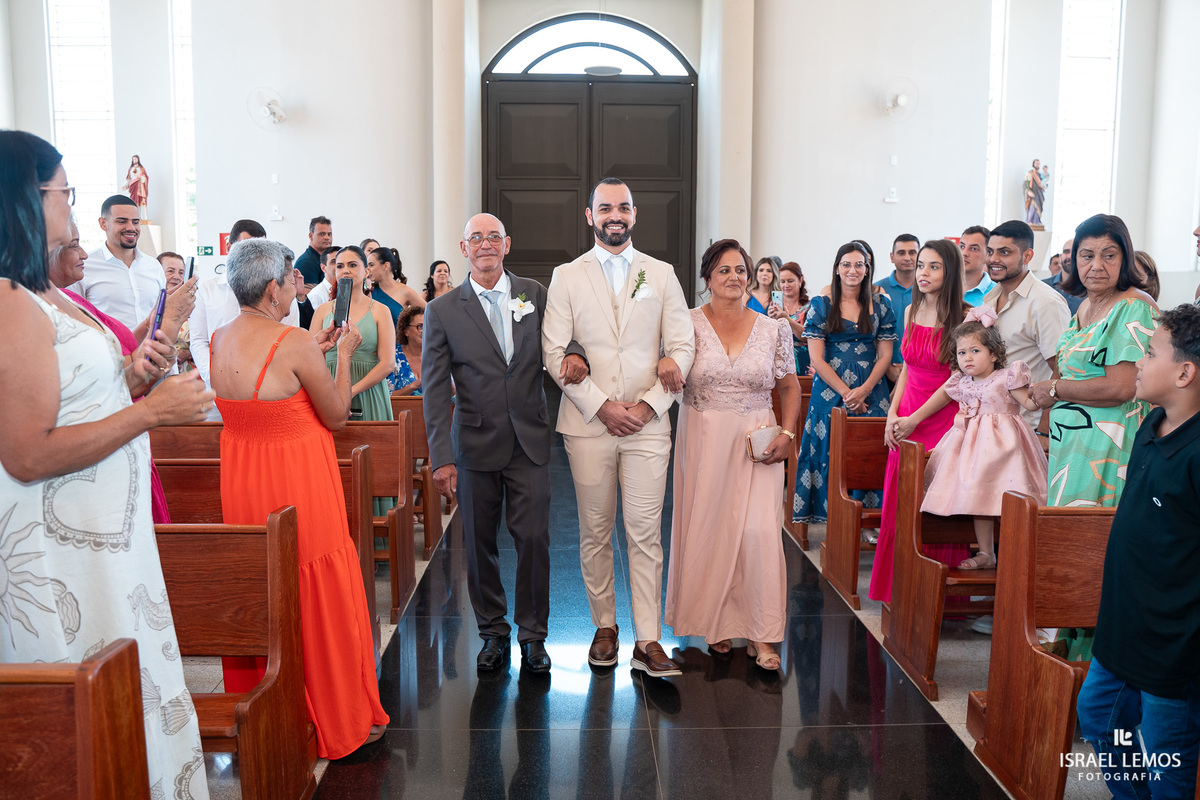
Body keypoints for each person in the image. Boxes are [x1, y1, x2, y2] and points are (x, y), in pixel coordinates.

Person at [0, 129, 214, 797]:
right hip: (62, 549)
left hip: (105, 540)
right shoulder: (10, 302)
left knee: (129, 680)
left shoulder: (50, 295)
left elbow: (90, 392)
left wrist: (148, 362)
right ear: (25, 200)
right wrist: (150, 414)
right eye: (65, 192)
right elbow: (28, 452)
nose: (71, 207)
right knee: (90, 704)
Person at [208, 237, 389, 758]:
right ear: (273, 288)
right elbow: (335, 415)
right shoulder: (293, 341)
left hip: (245, 479)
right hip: (297, 483)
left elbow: (269, 393)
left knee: (266, 586)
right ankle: (336, 713)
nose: (299, 286)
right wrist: (343, 356)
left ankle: (268, 712)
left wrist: (319, 350)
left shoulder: (220, 337)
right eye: (293, 279)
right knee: (315, 582)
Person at [543, 177, 695, 678]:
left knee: (646, 532)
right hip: (589, 424)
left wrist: (650, 407)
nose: (615, 214)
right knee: (594, 531)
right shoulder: (566, 276)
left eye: (623, 207)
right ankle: (604, 626)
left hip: (648, 426)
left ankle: (648, 640)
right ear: (589, 215)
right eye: (605, 207)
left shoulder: (661, 273)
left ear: (635, 214)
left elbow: (683, 346)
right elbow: (554, 350)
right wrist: (602, 406)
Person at [423, 213, 569, 674]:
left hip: (528, 439)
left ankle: (533, 636)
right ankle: (492, 632)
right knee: (480, 545)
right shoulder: (443, 309)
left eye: (493, 237)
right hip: (473, 443)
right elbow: (433, 387)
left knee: (534, 540)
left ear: (507, 244)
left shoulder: (534, 293)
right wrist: (441, 459)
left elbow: (565, 340)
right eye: (476, 238)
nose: (485, 245)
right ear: (464, 249)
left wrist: (578, 354)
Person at [1077, 305, 1200, 800]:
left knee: (1164, 758)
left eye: (1150, 353)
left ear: (1185, 372)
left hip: (1174, 644)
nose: (1141, 362)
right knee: (1099, 721)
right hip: (1124, 627)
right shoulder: (1152, 426)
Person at [664, 238, 800, 672]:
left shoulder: (773, 328)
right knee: (710, 528)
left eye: (740, 270)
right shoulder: (684, 324)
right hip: (703, 438)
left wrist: (788, 432)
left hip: (757, 440)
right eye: (724, 270)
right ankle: (716, 623)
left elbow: (789, 386)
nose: (734, 277)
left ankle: (763, 634)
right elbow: (665, 368)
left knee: (760, 533)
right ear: (707, 279)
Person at [52, 216, 187, 524]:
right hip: (101, 442)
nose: (83, 254)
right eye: (74, 246)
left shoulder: (72, 301)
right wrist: (153, 408)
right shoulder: (44, 308)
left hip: (126, 433)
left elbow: (121, 351)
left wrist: (154, 327)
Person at [896, 312, 1048, 570]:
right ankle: (987, 553)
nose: (967, 357)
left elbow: (1030, 404)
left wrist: (1049, 393)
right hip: (972, 450)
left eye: (975, 350)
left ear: (994, 354)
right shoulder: (960, 382)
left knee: (1011, 499)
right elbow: (940, 398)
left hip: (1007, 449)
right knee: (980, 499)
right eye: (961, 352)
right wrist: (912, 419)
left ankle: (1020, 552)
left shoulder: (1007, 377)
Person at [1028, 214, 1157, 508]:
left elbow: (1122, 387)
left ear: (1124, 259)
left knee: (1093, 542)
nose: (1096, 265)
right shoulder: (1086, 306)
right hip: (1072, 445)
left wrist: (1054, 389)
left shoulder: (1133, 306)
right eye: (1086, 256)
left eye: (1109, 255)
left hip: (1108, 445)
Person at [869, 239, 968, 602]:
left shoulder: (965, 317)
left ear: (950, 272)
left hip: (941, 420)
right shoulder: (910, 311)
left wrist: (915, 418)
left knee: (935, 508)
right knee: (901, 504)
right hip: (906, 414)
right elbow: (908, 368)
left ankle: (935, 597)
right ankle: (903, 589)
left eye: (933, 267)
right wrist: (892, 415)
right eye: (922, 265)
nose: (923, 273)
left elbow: (956, 381)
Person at [793, 241, 895, 525]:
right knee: (829, 449)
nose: (853, 270)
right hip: (830, 387)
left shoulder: (881, 306)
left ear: (867, 269)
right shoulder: (822, 306)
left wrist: (864, 390)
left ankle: (868, 522)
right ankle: (834, 519)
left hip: (872, 386)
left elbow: (885, 355)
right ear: (837, 269)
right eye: (846, 264)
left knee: (870, 452)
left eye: (859, 264)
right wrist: (847, 393)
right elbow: (817, 358)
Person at [190, 219, 301, 419]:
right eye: (247, 248)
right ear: (229, 247)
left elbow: (289, 340)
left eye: (263, 249)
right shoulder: (207, 289)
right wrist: (213, 376)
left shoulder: (281, 293)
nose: (255, 256)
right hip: (216, 389)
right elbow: (199, 340)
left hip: (267, 389)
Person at [980, 220, 1071, 431]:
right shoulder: (989, 299)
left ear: (1027, 256)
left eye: (1004, 253)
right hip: (992, 421)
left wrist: (1044, 430)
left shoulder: (1045, 302)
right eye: (990, 251)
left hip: (1027, 424)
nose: (993, 259)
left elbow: (1062, 370)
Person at [310, 245, 395, 426]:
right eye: (339, 266)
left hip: (368, 391)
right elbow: (310, 358)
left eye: (352, 265)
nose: (345, 270)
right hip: (329, 392)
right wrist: (334, 394)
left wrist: (350, 391)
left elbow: (387, 363)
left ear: (366, 271)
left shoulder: (381, 311)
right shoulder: (323, 311)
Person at [69, 194, 169, 329]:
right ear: (103, 223)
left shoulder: (153, 266)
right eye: (122, 221)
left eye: (135, 222)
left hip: (150, 348)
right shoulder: (85, 265)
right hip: (108, 348)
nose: (131, 228)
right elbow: (74, 316)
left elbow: (161, 314)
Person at [876, 234, 919, 382]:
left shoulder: (930, 290)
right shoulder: (876, 290)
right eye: (901, 253)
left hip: (919, 371)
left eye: (912, 252)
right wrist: (886, 366)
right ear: (892, 257)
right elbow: (870, 332)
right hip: (883, 371)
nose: (907, 257)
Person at [768, 261, 810, 374]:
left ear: (800, 280)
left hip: (803, 363)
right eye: (782, 281)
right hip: (778, 364)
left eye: (790, 281)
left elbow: (807, 336)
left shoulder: (810, 307)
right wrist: (769, 320)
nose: (786, 285)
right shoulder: (774, 306)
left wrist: (788, 319)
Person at [368, 245, 425, 326]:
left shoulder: (406, 292)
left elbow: (430, 313)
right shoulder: (370, 291)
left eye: (371, 265)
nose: (368, 269)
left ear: (386, 266)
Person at [388, 304, 423, 396]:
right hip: (400, 410)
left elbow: (453, 396)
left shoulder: (437, 357)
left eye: (429, 326)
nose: (426, 330)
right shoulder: (392, 358)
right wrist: (414, 386)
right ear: (406, 331)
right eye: (420, 326)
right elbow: (386, 399)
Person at [1044, 236, 1084, 314]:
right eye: (1066, 252)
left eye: (1074, 252)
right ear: (1060, 257)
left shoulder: (1089, 289)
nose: (1070, 256)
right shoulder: (1044, 286)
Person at [960, 225, 996, 307]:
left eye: (973, 249)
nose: (964, 253)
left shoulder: (997, 293)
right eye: (962, 247)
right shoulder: (943, 287)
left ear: (988, 254)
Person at [295, 215, 332, 285]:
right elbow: (310, 295)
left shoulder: (325, 259)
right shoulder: (306, 263)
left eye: (329, 234)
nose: (327, 237)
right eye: (322, 234)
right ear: (311, 236)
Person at [123, 154, 149, 219]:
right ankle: (135, 216)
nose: (135, 160)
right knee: (133, 201)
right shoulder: (131, 169)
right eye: (133, 159)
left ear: (138, 160)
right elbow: (128, 178)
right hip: (133, 186)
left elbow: (145, 178)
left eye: (136, 159)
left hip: (140, 186)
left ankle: (143, 217)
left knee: (141, 201)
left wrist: (140, 177)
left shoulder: (141, 169)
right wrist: (125, 186)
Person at [1023, 158, 1048, 226]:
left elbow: (1044, 184)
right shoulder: (1029, 173)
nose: (1037, 165)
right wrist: (1028, 192)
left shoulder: (1040, 175)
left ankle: (1037, 221)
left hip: (1039, 194)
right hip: (1032, 195)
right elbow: (1025, 184)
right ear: (1033, 164)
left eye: (1038, 163)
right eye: (1036, 163)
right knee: (1032, 208)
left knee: (1038, 209)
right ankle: (1030, 220)